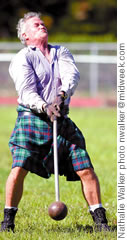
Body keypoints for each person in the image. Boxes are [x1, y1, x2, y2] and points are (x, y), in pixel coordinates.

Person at [0, 12, 109, 232]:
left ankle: (100, 222)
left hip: (61, 117)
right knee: (19, 167)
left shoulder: (62, 52)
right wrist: (44, 106)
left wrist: (61, 95)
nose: (42, 26)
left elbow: (72, 75)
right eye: (36, 24)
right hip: (32, 118)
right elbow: (27, 91)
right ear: (25, 35)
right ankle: (7, 222)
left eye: (43, 23)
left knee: (85, 168)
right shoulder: (23, 58)